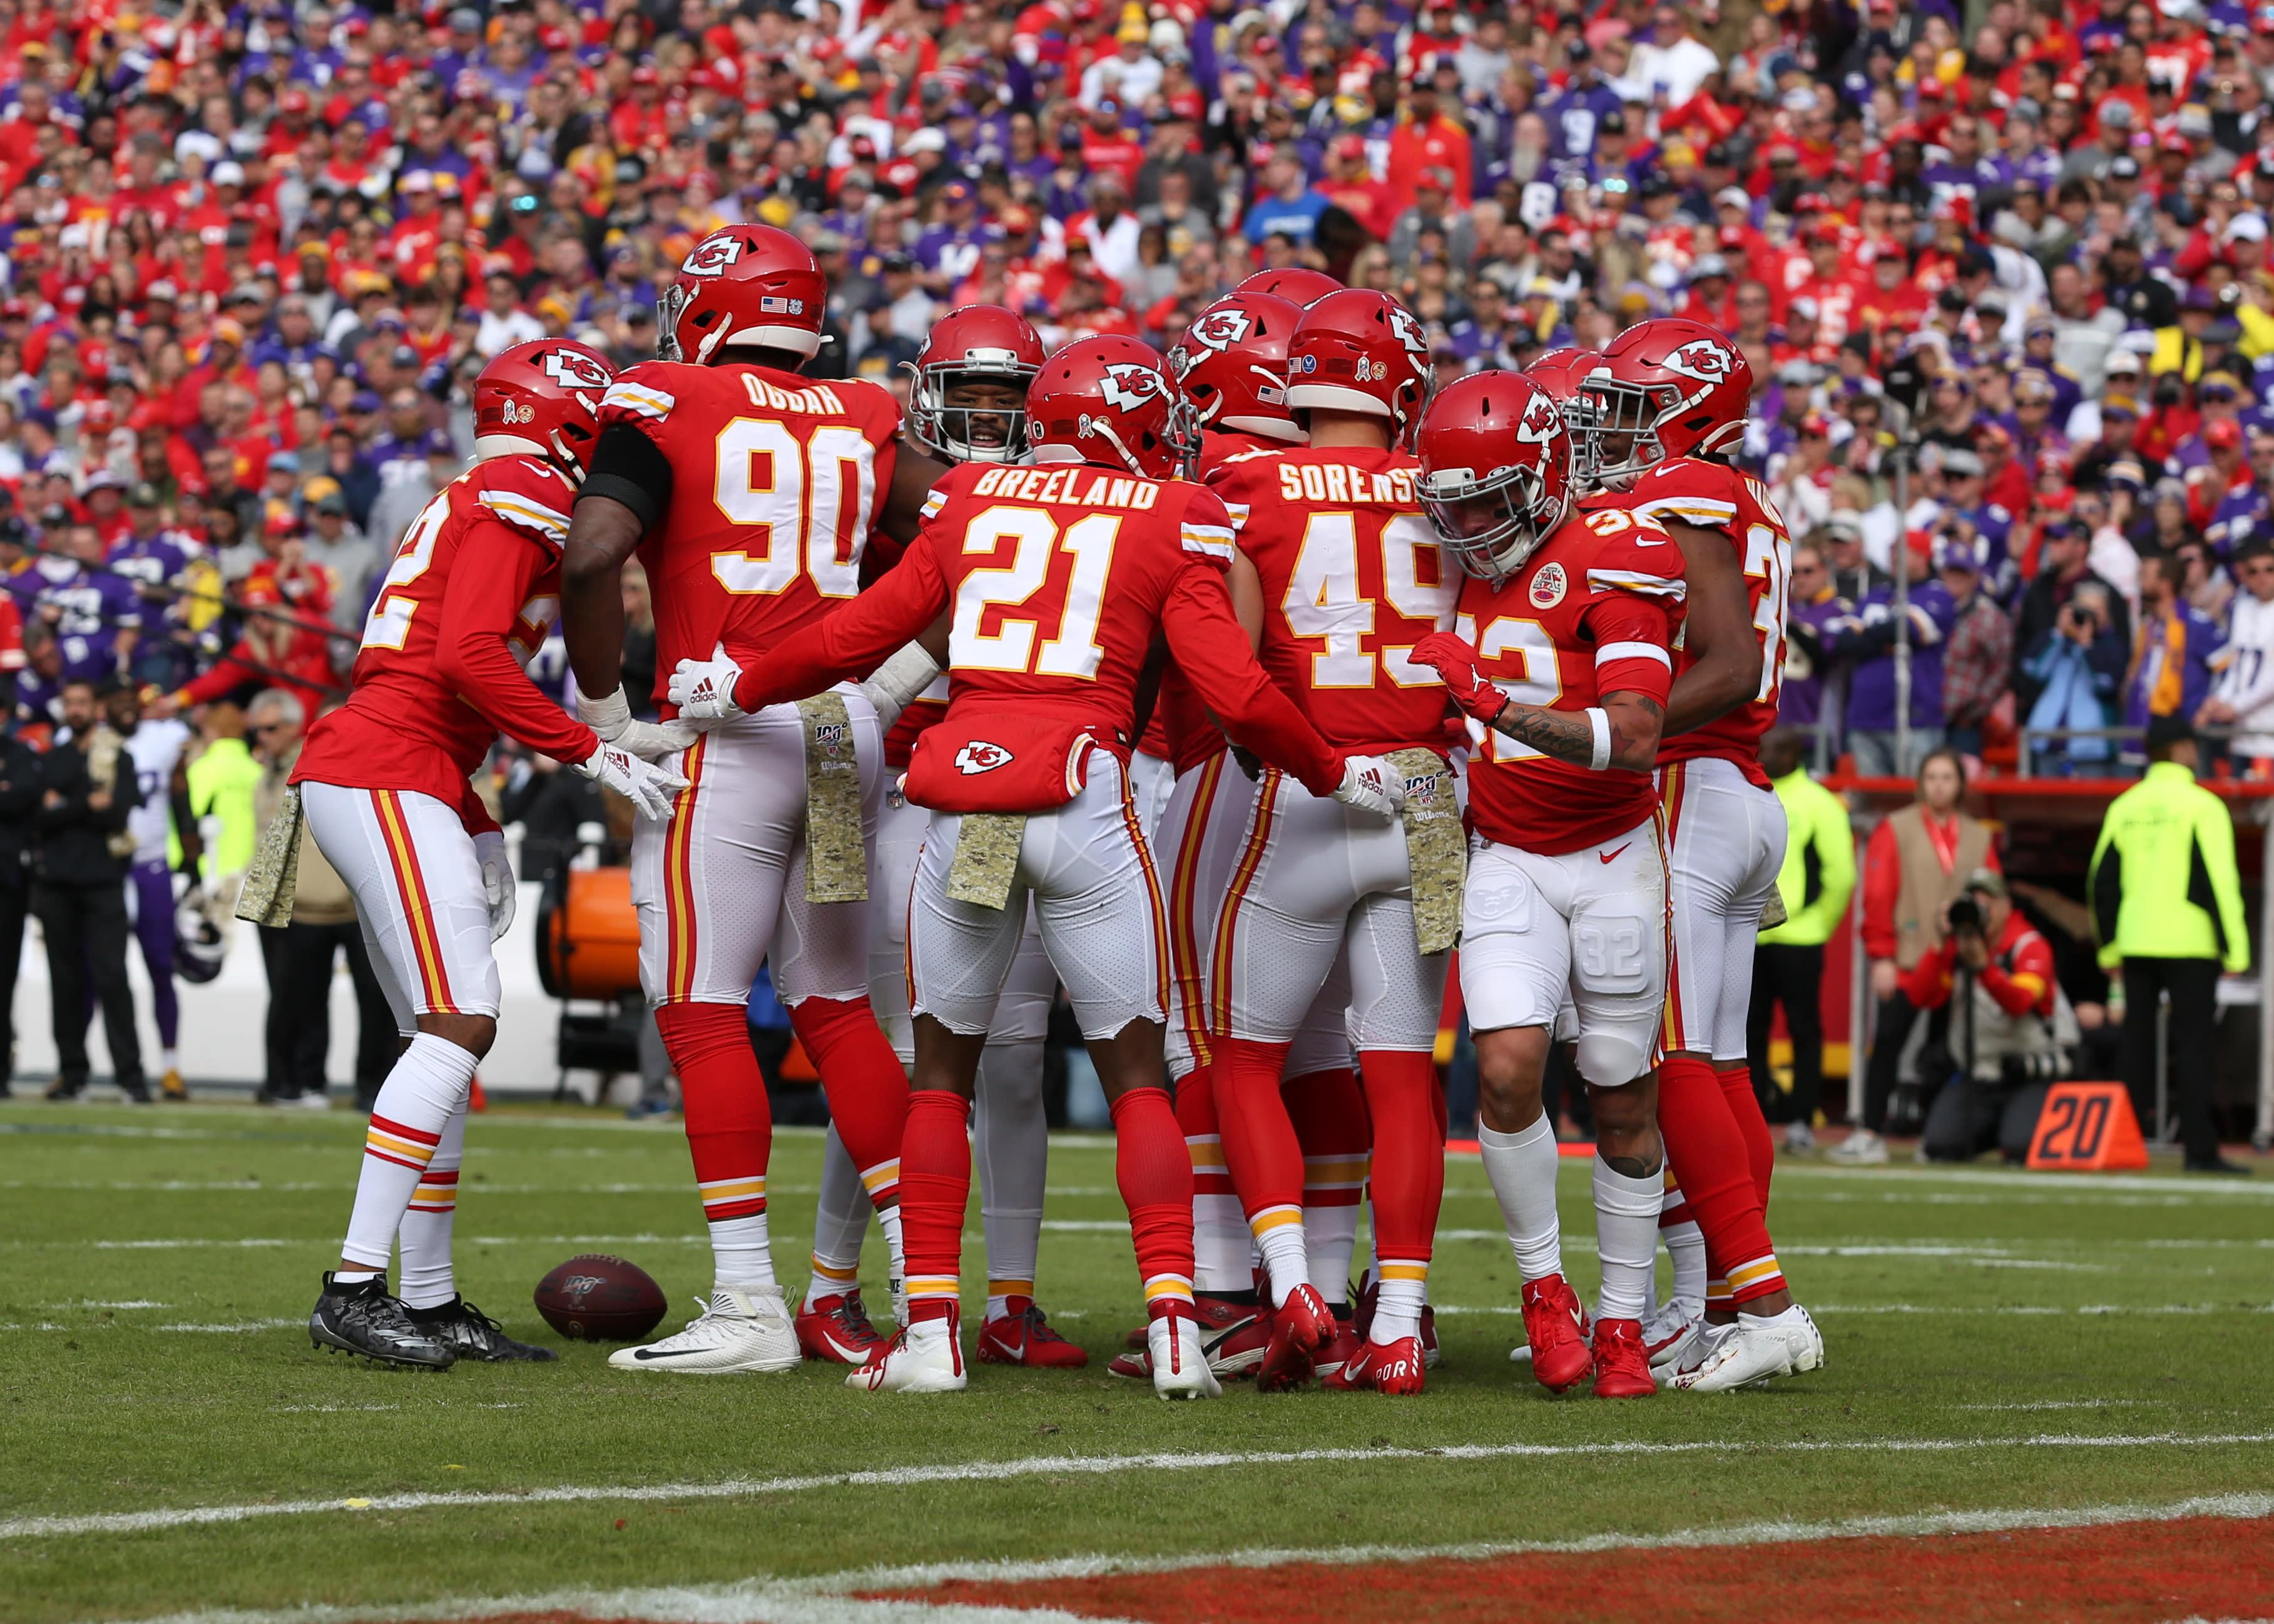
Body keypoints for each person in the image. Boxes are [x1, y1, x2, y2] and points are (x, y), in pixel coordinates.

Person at [674, 333, 1397, 1398]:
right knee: (1139, 1077)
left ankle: (929, 1341)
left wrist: (738, 689)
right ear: (1139, 425)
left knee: (940, 1078)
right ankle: (1168, 1333)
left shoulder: (968, 496)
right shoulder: (1171, 514)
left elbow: (859, 635)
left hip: (970, 801)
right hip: (1087, 798)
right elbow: (1237, 695)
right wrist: (1332, 771)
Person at [560, 225, 942, 1378]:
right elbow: (976, 547)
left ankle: (746, 1305)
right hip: (842, 729)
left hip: (722, 729)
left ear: (711, 314)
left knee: (699, 1006)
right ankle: (924, 1301)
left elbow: (590, 556)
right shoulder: (869, 415)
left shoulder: (668, 394)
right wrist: (887, 681)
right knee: (835, 1009)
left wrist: (605, 715)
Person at [294, 340, 676, 1370]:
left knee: (441, 1034)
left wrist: (477, 818)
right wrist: (585, 743)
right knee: (461, 1022)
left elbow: (434, 675)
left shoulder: (479, 486)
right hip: (386, 765)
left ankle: (425, 1297)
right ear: (568, 420)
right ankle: (355, 1285)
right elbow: (464, 656)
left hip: (405, 764)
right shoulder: (517, 486)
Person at [797, 305, 1086, 1374]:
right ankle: (831, 1287)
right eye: (963, 393)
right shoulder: (886, 490)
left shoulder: (1059, 490)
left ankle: (1008, 1298)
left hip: (1010, 790)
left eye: (1003, 397)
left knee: (1011, 1064)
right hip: (890, 784)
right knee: (902, 1055)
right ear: (926, 392)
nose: (980, 414)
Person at [1412, 369, 1695, 1403]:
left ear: (1539, 474)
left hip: (1612, 856)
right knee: (1503, 1070)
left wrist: (1485, 700)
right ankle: (1543, 1289)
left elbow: (1632, 740)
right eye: (1453, 498)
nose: (1466, 521)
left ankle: (1621, 1317)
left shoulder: (1618, 553)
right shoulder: (1467, 568)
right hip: (1508, 858)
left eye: (1483, 497)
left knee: (1620, 1092)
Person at [1200, 290, 1453, 1395]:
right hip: (1428, 794)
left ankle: (1293, 1287)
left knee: (1244, 1058)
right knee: (1399, 1072)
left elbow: (1236, 668)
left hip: (1307, 789)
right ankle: (1394, 1321)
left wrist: (1304, 754)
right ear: (1397, 382)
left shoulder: (1245, 485)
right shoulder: (1446, 483)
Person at [1592, 317, 1822, 1393]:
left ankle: (1762, 1300)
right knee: (1719, 1060)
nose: (1613, 426)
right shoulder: (1751, 497)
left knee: (1673, 1054)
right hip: (1740, 793)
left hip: (1689, 783)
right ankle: (1726, 1303)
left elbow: (1721, 667)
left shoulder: (1687, 491)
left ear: (1683, 405)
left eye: (1631, 403)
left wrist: (1608, 731)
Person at [2089, 716, 2251, 1173]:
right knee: (2195, 1046)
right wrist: (2235, 949)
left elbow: (2101, 880)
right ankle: (2199, 1150)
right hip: (2191, 943)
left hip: (2136, 939)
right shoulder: (2203, 805)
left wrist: (2108, 948)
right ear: (2183, 750)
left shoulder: (2126, 805)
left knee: (2135, 1044)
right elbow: (2221, 883)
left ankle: (2125, 1145)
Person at [1835, 747, 2000, 1165]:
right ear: (1921, 783)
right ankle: (1870, 1131)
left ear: (1961, 784)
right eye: (1932, 777)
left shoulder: (1978, 835)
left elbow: (1996, 899)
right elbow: (1878, 894)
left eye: (1947, 777)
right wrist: (1882, 956)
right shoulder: (1897, 827)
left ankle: (1935, 1138)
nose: (1939, 785)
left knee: (1945, 1052)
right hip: (1909, 958)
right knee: (1888, 1045)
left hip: (1958, 960)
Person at [250, 689, 395, 1110]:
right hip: (303, 905)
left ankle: (374, 1088)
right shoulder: (288, 765)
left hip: (359, 903)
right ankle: (301, 1082)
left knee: (378, 1004)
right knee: (299, 1003)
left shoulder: (372, 762)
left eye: (272, 728)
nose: (263, 737)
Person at [34, 679, 147, 1102]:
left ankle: (130, 1077)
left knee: (112, 977)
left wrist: (63, 804)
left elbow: (118, 813)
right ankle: (72, 1073)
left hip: (102, 881)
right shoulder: (54, 758)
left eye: (82, 702)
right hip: (57, 884)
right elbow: (38, 817)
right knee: (64, 982)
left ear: (95, 708)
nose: (75, 709)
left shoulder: (119, 756)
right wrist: (86, 804)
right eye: (70, 702)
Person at [1910, 870, 2069, 1164]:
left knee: (2021, 1148)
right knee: (1940, 1146)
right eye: (1974, 903)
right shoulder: (1959, 945)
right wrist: (1940, 944)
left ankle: (2014, 1128)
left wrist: (1984, 967)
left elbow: (2019, 1003)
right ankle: (1993, 1129)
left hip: (2028, 1072)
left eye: (1989, 904)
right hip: (1979, 1075)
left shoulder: (2029, 945)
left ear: (2007, 906)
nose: (1981, 912)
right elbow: (1922, 997)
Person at [1749, 726, 1857, 1154]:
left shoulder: (1819, 802)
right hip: (1751, 937)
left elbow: (1841, 875)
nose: (1764, 753)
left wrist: (1818, 924)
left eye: (1774, 746)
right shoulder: (1751, 791)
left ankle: (1801, 1123)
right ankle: (1752, 1119)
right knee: (1746, 1033)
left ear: (1794, 751)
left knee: (1804, 1030)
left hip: (1800, 938)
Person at [104, 683, 193, 1099]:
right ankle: (80, 1066)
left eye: (129, 702)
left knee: (161, 966)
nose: (124, 710)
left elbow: (181, 796)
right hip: (105, 870)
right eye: (116, 703)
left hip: (152, 866)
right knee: (97, 971)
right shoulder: (88, 741)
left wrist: (192, 863)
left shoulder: (165, 738)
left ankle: (170, 1066)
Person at [2198, 541, 2274, 774]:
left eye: (2269, 569)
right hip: (2240, 734)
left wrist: (2236, 706)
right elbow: (2237, 665)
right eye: (2254, 571)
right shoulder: (2242, 608)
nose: (2261, 577)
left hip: (2269, 734)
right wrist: (2219, 699)